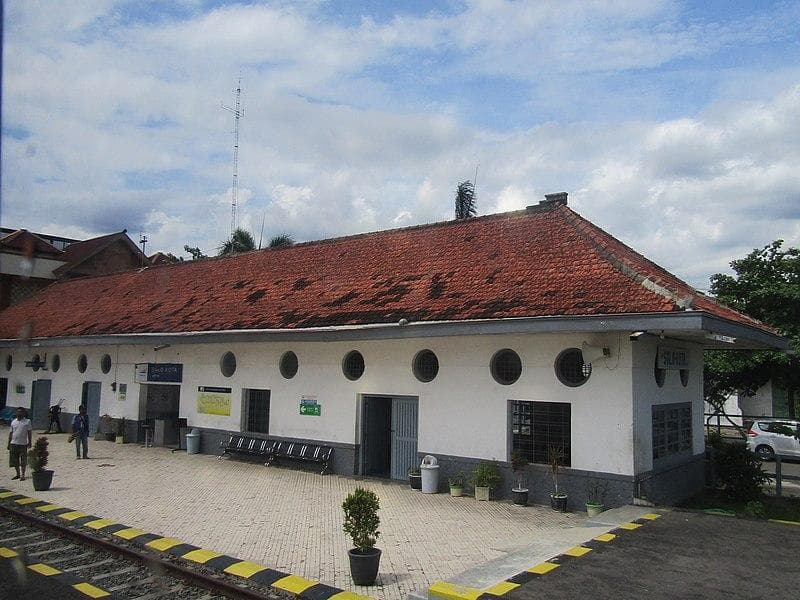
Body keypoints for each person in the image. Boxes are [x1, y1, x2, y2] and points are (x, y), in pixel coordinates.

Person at [8, 407, 32, 480]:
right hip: (13, 443)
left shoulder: (27, 421)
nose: (19, 413)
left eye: (21, 412)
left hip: (23, 444)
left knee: (23, 460)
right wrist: (8, 443)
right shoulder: (13, 422)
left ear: (24, 413)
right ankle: (17, 474)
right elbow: (11, 433)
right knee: (14, 460)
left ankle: (23, 475)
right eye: (18, 412)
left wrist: (30, 441)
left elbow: (29, 432)